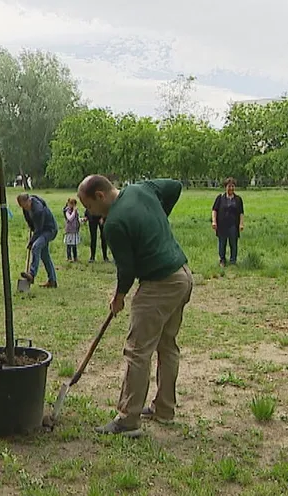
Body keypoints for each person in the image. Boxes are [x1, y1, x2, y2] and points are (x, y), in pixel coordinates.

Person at [78, 175, 193, 437]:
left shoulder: (114, 224)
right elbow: (175, 185)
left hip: (159, 284)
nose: (89, 214)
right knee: (167, 345)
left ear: (100, 196)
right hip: (182, 275)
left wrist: (118, 297)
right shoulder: (141, 189)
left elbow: (126, 271)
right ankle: (164, 410)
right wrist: (155, 221)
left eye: (89, 207)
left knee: (137, 351)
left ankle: (128, 420)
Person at [17, 192, 58, 289]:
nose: (25, 208)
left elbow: (39, 230)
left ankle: (31, 274)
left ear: (29, 201)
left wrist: (31, 242)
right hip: (40, 230)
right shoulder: (25, 208)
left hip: (49, 230)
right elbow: (29, 221)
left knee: (36, 247)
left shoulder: (38, 210)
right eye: (22, 207)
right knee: (44, 256)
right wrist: (31, 227)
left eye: (26, 206)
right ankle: (52, 281)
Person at [211, 177, 245, 267]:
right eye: (229, 186)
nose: (231, 188)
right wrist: (214, 222)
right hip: (222, 225)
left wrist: (241, 224)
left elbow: (241, 213)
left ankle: (233, 261)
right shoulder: (220, 198)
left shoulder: (238, 199)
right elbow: (214, 210)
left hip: (233, 225)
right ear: (225, 187)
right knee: (222, 243)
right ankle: (222, 260)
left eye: (233, 186)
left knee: (233, 243)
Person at [63, 198, 82, 263]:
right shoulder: (67, 211)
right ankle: (69, 257)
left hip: (75, 229)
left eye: (74, 204)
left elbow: (77, 218)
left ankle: (75, 257)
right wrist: (74, 211)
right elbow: (70, 218)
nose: (72, 205)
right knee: (69, 244)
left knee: (74, 244)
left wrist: (81, 220)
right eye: (71, 204)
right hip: (69, 230)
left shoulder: (76, 211)